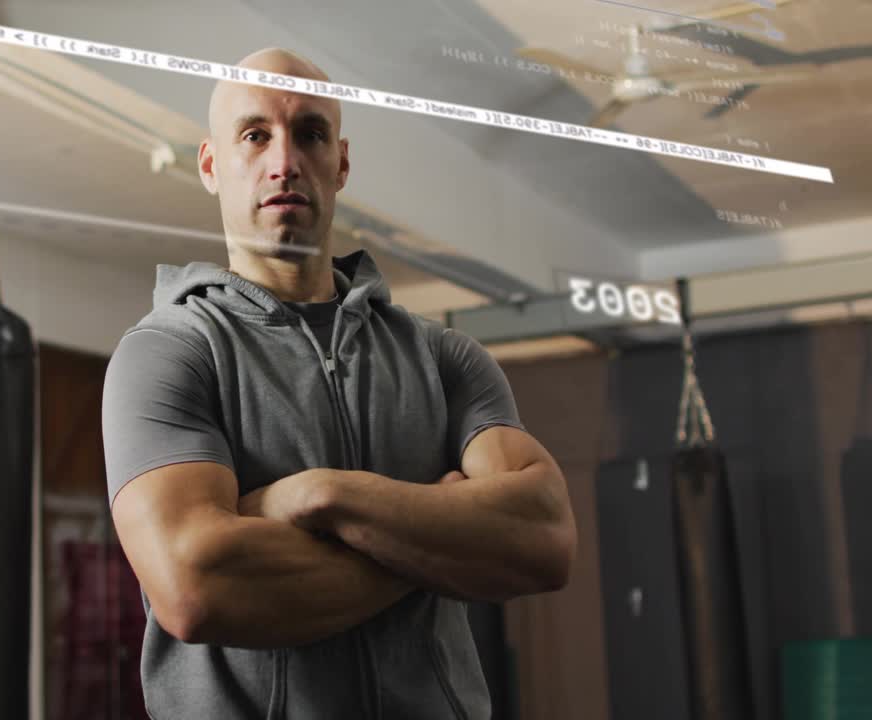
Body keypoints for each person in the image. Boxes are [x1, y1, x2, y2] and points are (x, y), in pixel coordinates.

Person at [101, 47, 577, 719]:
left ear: (341, 162)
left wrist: (319, 496)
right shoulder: (168, 353)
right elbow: (196, 586)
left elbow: (545, 539)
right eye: (255, 135)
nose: (284, 160)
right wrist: (438, 542)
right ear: (210, 164)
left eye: (311, 133)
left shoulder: (443, 358)